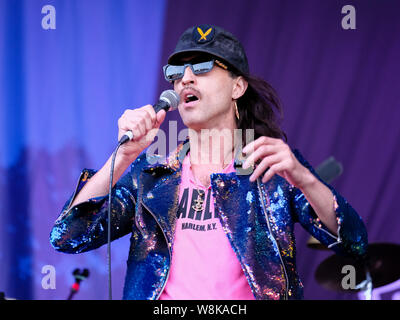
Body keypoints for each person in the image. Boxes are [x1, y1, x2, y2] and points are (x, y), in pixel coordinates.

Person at [50, 24, 368, 300]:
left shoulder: (272, 165)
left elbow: (354, 244)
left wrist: (303, 178)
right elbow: (68, 235)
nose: (185, 79)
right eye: (175, 73)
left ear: (237, 86)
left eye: (201, 66)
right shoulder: (152, 172)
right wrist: (124, 157)